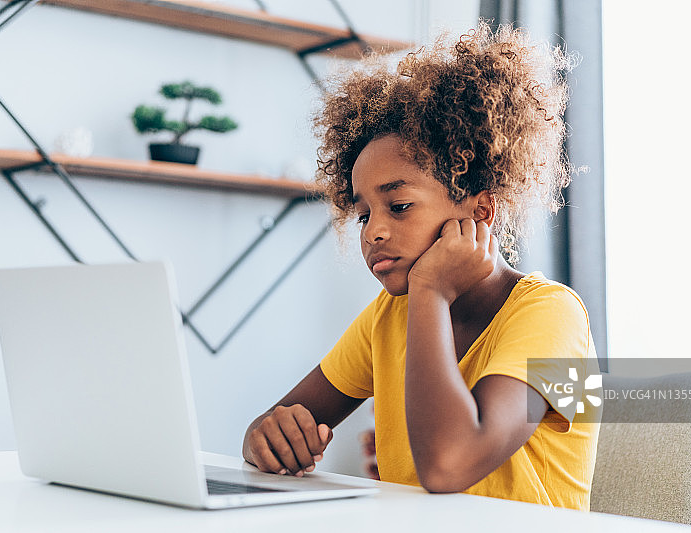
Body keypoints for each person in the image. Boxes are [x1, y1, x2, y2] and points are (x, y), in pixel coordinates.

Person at [242, 22, 601, 511]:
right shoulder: (385, 319)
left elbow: (448, 465)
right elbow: (278, 419)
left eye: (400, 206)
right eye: (364, 213)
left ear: (480, 211)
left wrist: (431, 290)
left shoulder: (557, 316)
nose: (372, 232)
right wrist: (267, 436)